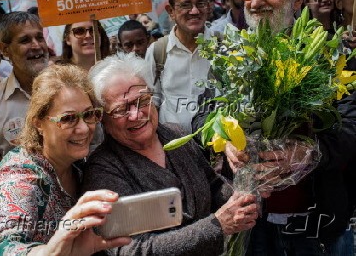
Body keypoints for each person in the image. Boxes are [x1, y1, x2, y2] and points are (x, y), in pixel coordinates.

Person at [212, 0, 356, 254]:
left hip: (316, 227)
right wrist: (224, 137)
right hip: (251, 223)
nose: (256, 2)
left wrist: (310, 152)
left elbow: (352, 126)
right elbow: (202, 115)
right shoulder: (229, 54)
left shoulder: (332, 54)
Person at [82, 53, 259, 256]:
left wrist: (244, 195)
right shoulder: (103, 171)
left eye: (142, 100)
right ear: (103, 119)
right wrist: (217, 226)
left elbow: (212, 186)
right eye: (121, 109)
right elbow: (130, 250)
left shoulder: (176, 135)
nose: (136, 115)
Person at [0, 64, 131, 255]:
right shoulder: (22, 176)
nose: (84, 128)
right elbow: (3, 246)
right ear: (38, 123)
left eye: (88, 114)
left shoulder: (78, 163)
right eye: (68, 119)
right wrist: (51, 252)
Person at [0, 12, 49, 198]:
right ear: (4, 49)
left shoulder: (72, 90)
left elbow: (95, 152)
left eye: (39, 37)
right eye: (25, 40)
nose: (36, 46)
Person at [145, 0, 214, 133]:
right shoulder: (157, 52)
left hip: (218, 146)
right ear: (171, 11)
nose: (194, 11)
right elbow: (152, 103)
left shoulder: (225, 47)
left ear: (208, 7)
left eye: (200, 3)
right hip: (174, 147)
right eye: (186, 5)